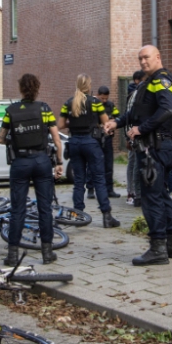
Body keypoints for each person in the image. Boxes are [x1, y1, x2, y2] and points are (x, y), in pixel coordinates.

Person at [105, 46, 172, 266]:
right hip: (156, 146)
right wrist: (117, 122)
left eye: (146, 57)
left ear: (158, 57)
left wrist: (141, 129)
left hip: (153, 147)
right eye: (140, 58)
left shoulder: (162, 80)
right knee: (161, 195)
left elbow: (167, 109)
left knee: (151, 198)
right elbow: (136, 113)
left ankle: (158, 249)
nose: (142, 62)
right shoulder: (149, 82)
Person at [0, 74, 63, 265]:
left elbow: (1, 138)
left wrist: (15, 140)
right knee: (45, 208)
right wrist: (59, 162)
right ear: (37, 88)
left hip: (20, 163)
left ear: (21, 89)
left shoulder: (11, 111)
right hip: (42, 162)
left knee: (17, 209)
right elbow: (57, 139)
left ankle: (12, 255)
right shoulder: (44, 109)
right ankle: (47, 253)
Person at [59, 75, 121, 230]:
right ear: (89, 86)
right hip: (91, 142)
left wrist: (73, 122)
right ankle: (107, 217)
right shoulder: (96, 103)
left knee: (79, 181)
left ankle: (78, 215)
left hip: (74, 143)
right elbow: (106, 122)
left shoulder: (69, 103)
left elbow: (60, 124)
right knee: (99, 179)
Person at [95, 86, 120, 199]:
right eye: (102, 98)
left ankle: (110, 190)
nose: (104, 100)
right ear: (98, 95)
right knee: (94, 164)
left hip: (108, 138)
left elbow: (118, 117)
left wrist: (111, 122)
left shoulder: (110, 105)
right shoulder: (94, 104)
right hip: (96, 139)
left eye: (106, 98)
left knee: (109, 165)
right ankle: (91, 189)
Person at [125, 70, 144, 206]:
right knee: (134, 163)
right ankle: (134, 193)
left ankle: (135, 192)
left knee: (135, 163)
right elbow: (128, 116)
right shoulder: (135, 93)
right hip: (135, 134)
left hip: (135, 133)